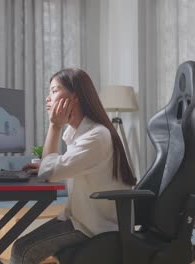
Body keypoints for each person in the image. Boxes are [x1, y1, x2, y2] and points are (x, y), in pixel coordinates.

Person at [11, 68, 136, 264]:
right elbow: (53, 167)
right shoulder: (84, 134)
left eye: (54, 90)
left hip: (93, 226)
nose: (47, 98)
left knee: (23, 251)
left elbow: (50, 172)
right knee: (22, 247)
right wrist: (46, 166)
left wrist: (54, 126)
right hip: (81, 219)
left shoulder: (96, 136)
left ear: (74, 97)